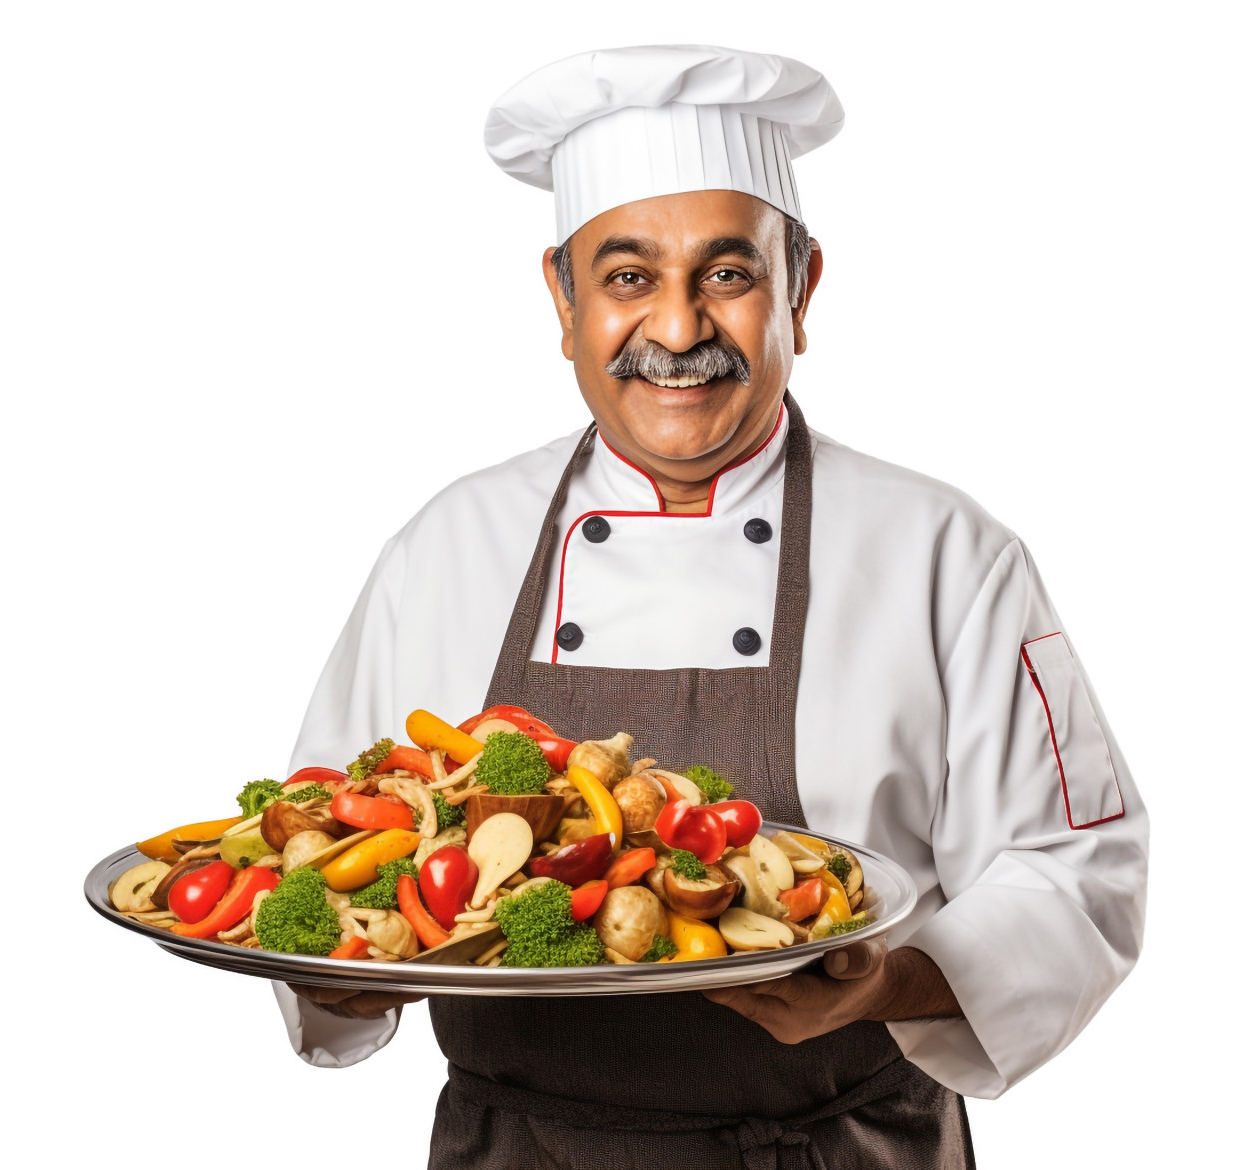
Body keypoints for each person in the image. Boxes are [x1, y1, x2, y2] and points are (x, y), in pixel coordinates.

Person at [278, 45, 1148, 1169]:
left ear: (801, 286)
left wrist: (885, 981)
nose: (678, 331)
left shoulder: (942, 551)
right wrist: (325, 973)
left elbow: (1077, 871)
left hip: (833, 1149)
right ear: (562, 298)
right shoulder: (447, 545)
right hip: (517, 1151)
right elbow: (324, 848)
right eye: (627, 277)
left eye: (727, 275)